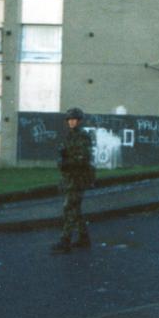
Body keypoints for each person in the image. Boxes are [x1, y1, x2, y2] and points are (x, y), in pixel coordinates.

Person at [51, 107, 95, 254]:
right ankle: (84, 238)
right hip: (69, 177)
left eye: (74, 119)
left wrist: (67, 162)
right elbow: (63, 154)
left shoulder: (83, 136)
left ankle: (65, 241)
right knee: (75, 209)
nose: (71, 122)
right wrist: (62, 160)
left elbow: (84, 158)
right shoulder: (69, 136)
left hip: (79, 177)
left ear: (79, 121)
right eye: (69, 119)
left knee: (69, 208)